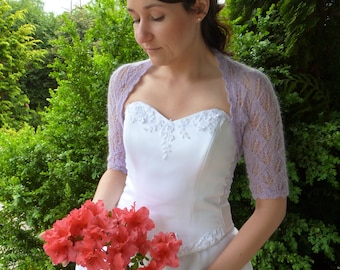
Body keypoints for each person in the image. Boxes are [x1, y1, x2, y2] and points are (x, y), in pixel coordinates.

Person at [76, 0, 289, 269]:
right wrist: (91, 233)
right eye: (135, 19)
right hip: (122, 254)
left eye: (156, 16)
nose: (142, 35)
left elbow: (271, 208)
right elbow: (118, 169)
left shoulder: (249, 89)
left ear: (199, 8)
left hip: (210, 259)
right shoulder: (124, 81)